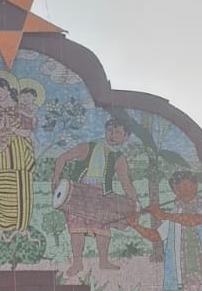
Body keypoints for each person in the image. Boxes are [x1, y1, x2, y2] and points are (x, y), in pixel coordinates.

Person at [52, 115, 157, 277]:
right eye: (109, 131)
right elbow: (62, 158)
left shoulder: (119, 158)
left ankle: (104, 261)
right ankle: (77, 263)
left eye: (117, 132)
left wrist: (135, 203)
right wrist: (55, 178)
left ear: (126, 136)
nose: (112, 135)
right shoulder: (87, 147)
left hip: (102, 195)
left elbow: (126, 184)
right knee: (76, 229)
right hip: (78, 193)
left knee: (103, 228)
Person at [0, 73, 36, 236]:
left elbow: (26, 132)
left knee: (20, 191)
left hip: (19, 154)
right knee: (1, 191)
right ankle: (2, 226)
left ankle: (21, 228)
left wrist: (12, 129)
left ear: (6, 88)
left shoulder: (22, 108)